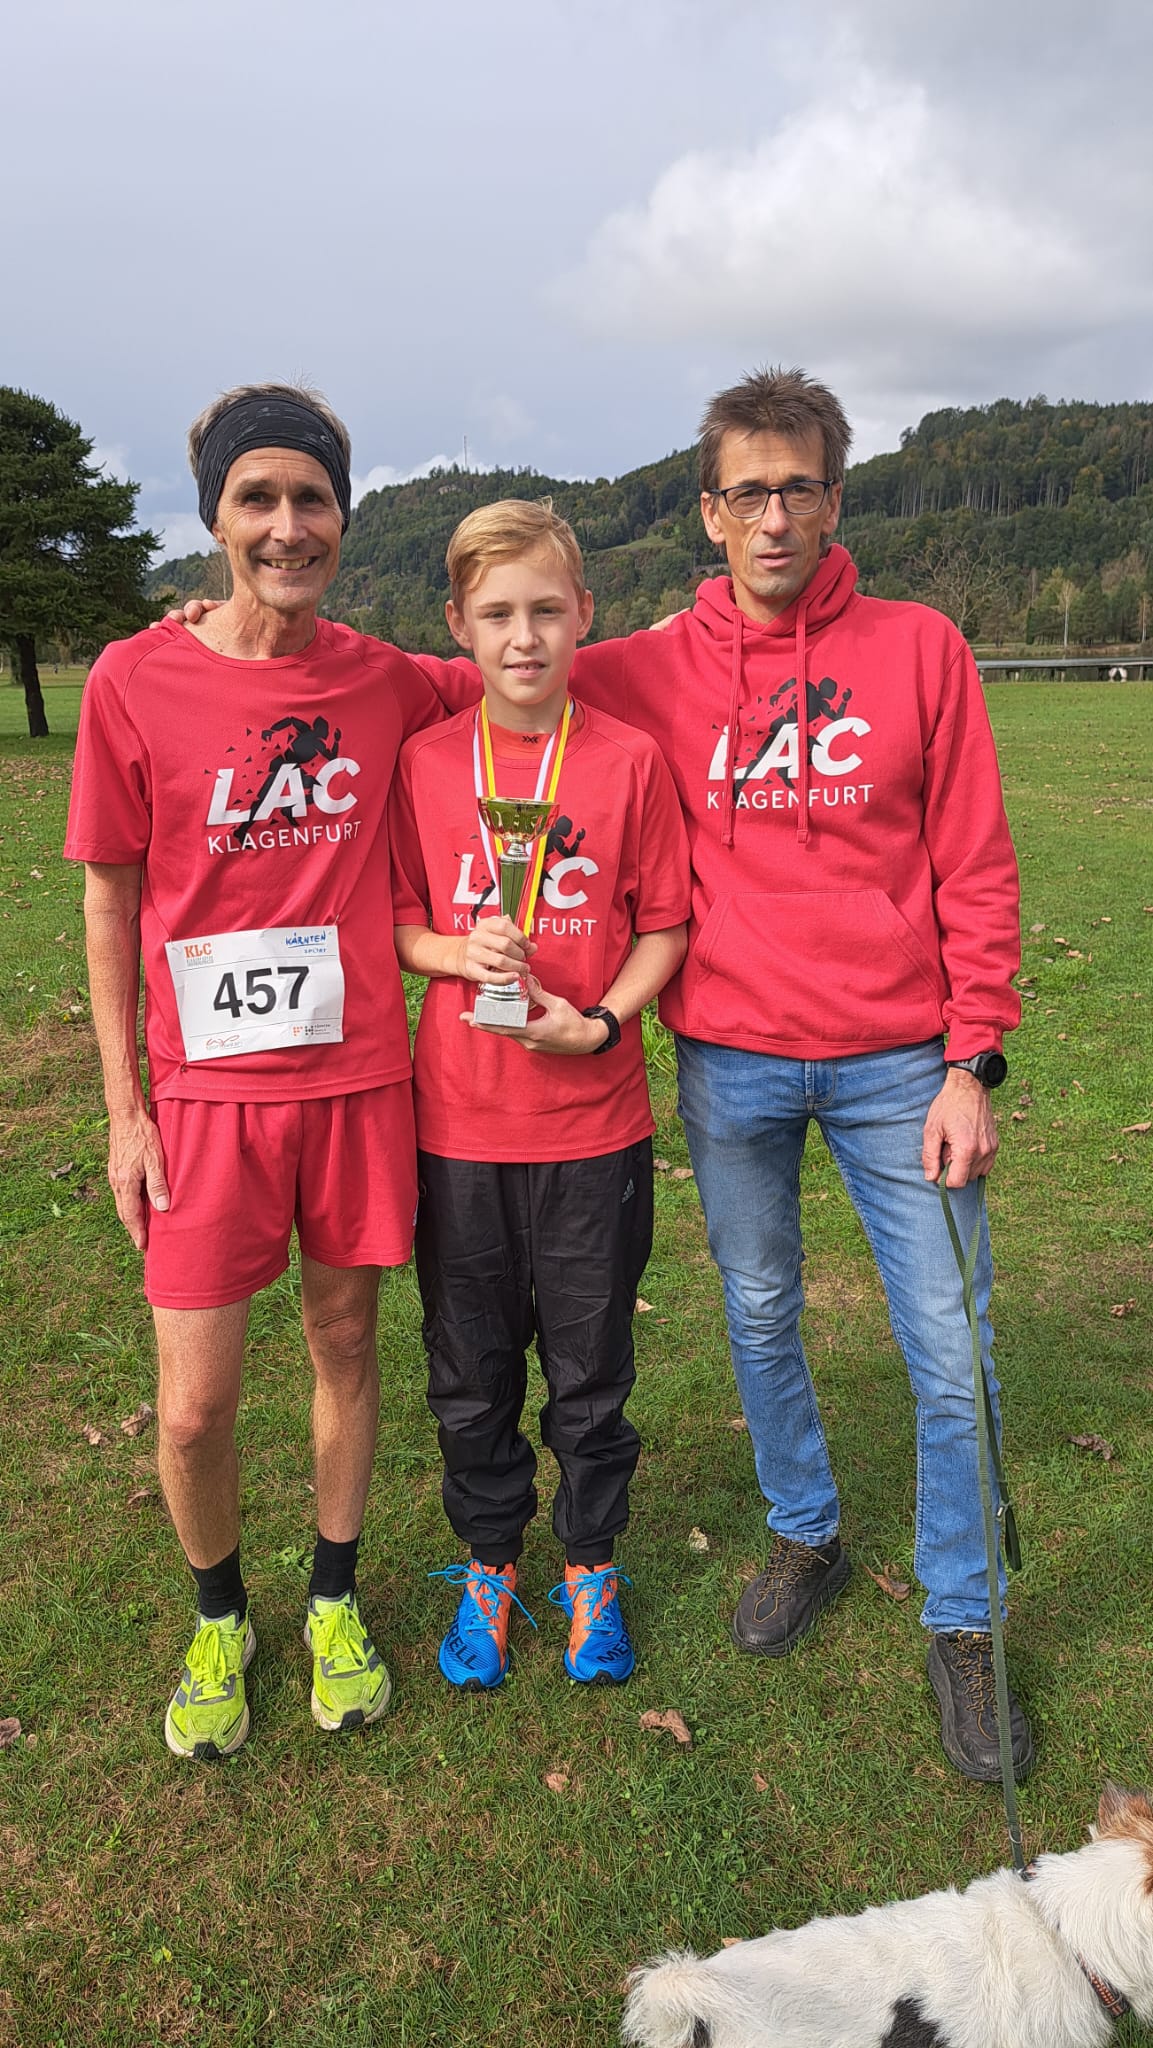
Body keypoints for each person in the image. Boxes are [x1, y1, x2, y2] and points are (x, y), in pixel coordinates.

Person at [559, 367, 1031, 1781]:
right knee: (760, 1315)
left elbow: (975, 862)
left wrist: (972, 1062)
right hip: (733, 1061)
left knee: (951, 1349)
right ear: (709, 511)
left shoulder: (919, 647)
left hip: (902, 1066)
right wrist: (253, 635)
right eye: (747, 491)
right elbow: (491, 663)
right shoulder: (645, 662)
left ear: (836, 497)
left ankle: (962, 1614)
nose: (775, 515)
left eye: (800, 487)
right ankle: (806, 1529)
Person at [64, 381, 463, 1760]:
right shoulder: (135, 679)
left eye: (312, 500)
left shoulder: (387, 677)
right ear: (217, 520)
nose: (288, 526)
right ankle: (221, 1614)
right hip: (206, 1104)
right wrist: (125, 1111)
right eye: (260, 499)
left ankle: (336, 1598)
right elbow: (110, 905)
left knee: (347, 1342)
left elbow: (531, 664)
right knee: (193, 1402)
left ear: (341, 519)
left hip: (355, 1088)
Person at [390, 501, 690, 1688]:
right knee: (467, 1371)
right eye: (500, 613)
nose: (525, 637)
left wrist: (603, 1018)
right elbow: (399, 922)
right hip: (456, 1131)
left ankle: (591, 1569)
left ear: (585, 617)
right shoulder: (424, 760)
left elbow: (662, 922)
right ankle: (487, 1564)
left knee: (591, 1369)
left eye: (548, 610)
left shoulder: (628, 759)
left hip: (593, 1126)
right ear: (459, 623)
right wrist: (459, 955)